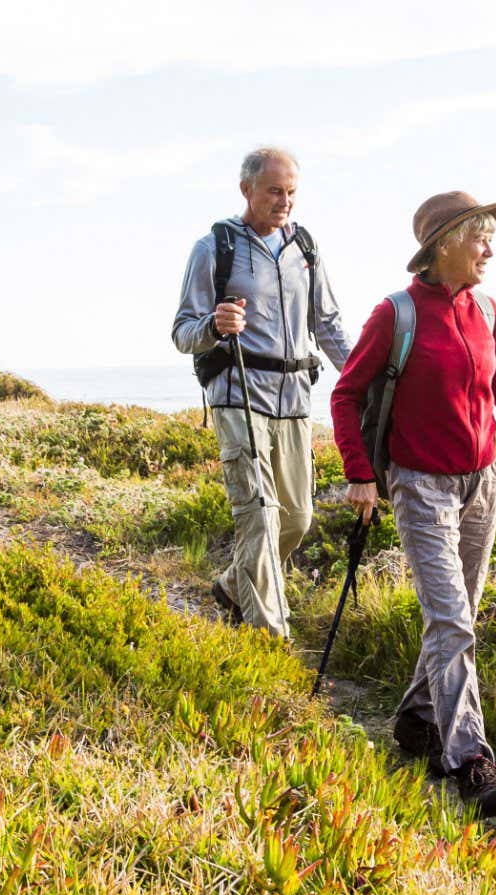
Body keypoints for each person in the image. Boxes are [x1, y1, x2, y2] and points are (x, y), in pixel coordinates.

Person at [329, 191, 496, 817]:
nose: (490, 249)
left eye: (490, 237)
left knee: (455, 618)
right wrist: (360, 474)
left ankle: (413, 720)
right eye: (480, 237)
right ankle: (471, 763)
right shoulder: (396, 314)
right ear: (444, 245)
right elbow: (345, 396)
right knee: (452, 621)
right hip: (420, 485)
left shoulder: (487, 309)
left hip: (483, 481)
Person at [173, 147, 351, 639]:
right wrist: (214, 324)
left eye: (292, 191)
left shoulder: (306, 249)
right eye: (275, 190)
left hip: (294, 400)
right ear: (246, 189)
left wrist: (361, 378)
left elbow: (328, 324)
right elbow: (183, 330)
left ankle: (233, 585)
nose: (285, 201)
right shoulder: (214, 247)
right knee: (260, 519)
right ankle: (272, 635)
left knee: (296, 518)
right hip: (238, 396)